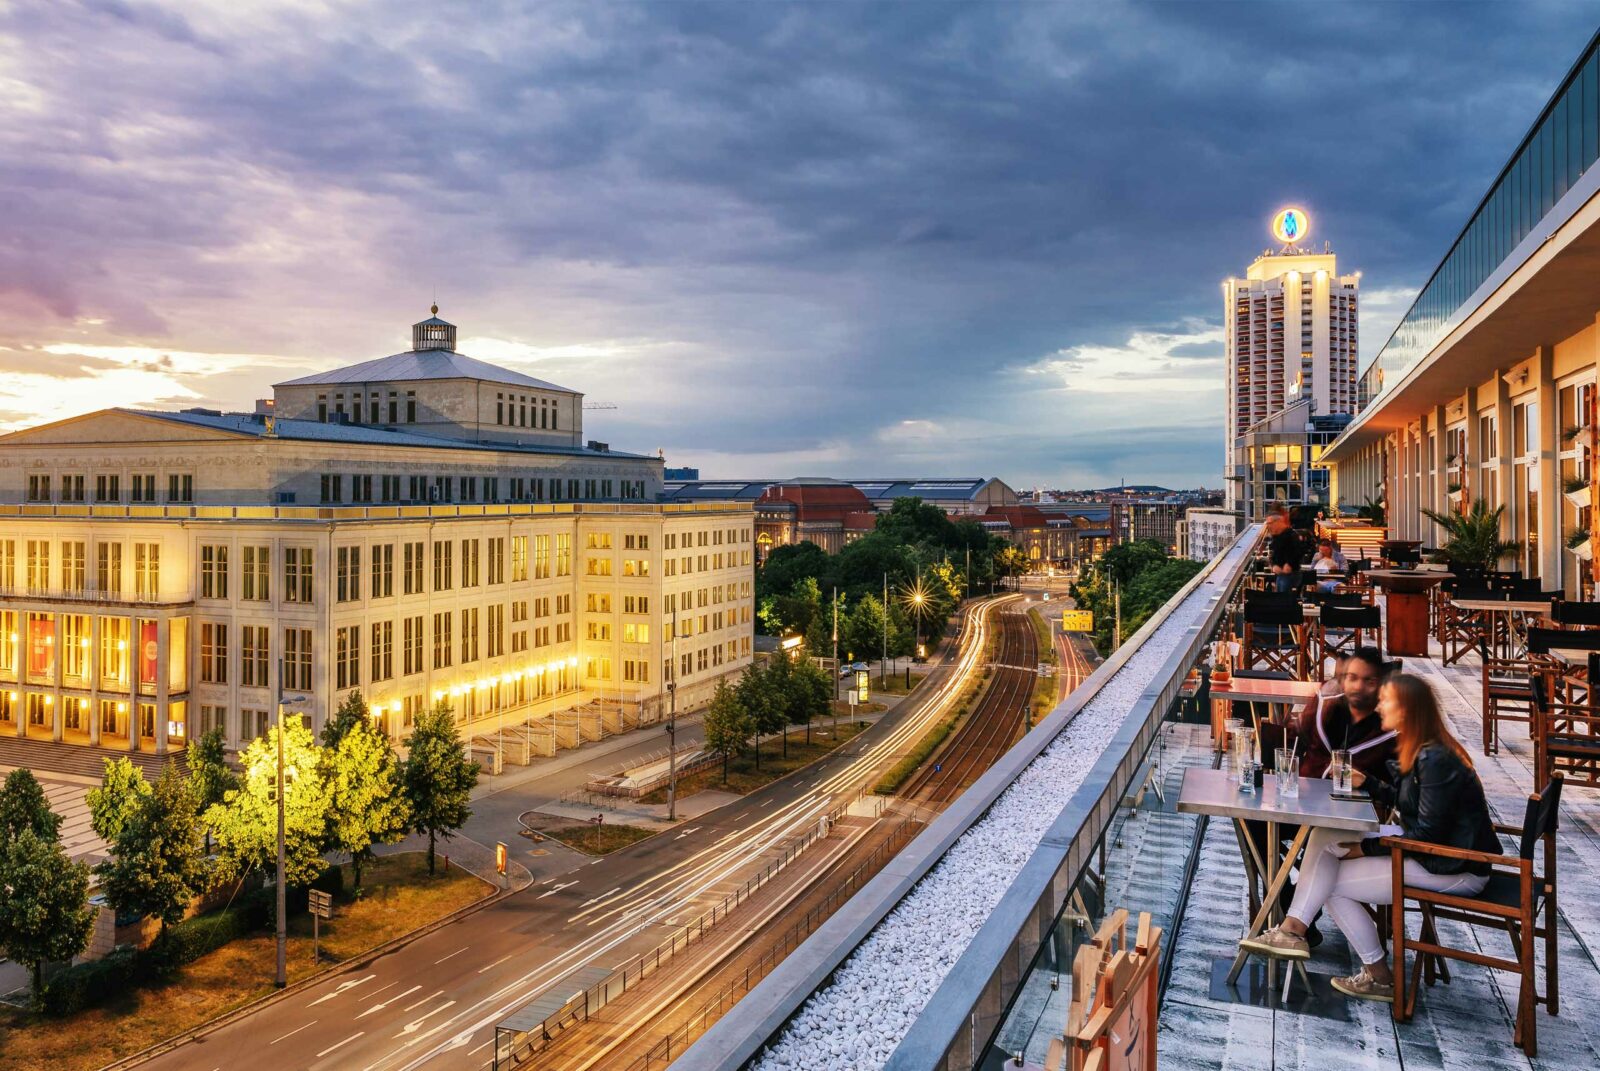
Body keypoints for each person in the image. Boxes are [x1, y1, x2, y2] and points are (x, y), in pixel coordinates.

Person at [1241, 673, 1501, 1002]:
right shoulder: (1421, 748)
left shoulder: (1435, 759)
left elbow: (1428, 833)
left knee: (1330, 885)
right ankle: (1295, 930)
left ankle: (1374, 974)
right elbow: (1412, 806)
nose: (1379, 706)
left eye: (1387, 700)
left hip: (1453, 865)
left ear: (1407, 709)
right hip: (1435, 852)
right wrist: (1369, 784)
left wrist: (1364, 848)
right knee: (1324, 834)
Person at [1250, 648, 1396, 941]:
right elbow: (1295, 739)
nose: (1357, 686)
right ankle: (1289, 902)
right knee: (1253, 824)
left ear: (1380, 683)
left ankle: (1296, 914)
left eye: (1367, 680)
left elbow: (1396, 789)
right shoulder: (1326, 706)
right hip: (1304, 801)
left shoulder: (1391, 725)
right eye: (1352, 678)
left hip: (1348, 819)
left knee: (1320, 842)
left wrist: (1369, 783)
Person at [1265, 512, 1302, 593]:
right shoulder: (1276, 537)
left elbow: (1298, 552)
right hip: (1281, 574)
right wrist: (1274, 565)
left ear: (1277, 522)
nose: (1269, 526)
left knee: (1283, 597)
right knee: (1280, 595)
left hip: (1290, 574)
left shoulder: (1291, 535)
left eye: (1270, 523)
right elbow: (1274, 554)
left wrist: (1289, 564)